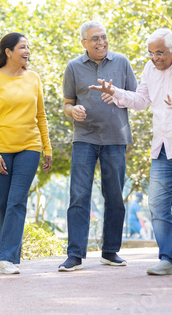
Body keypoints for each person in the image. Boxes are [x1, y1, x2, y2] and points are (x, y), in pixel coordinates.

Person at [90, 28, 172, 276]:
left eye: (159, 53)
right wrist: (115, 93)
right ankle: (168, 259)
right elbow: (142, 100)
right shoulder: (149, 69)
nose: (155, 58)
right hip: (163, 146)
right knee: (156, 203)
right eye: (151, 53)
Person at [58, 21, 138, 272]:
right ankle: (75, 255)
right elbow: (67, 104)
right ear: (83, 42)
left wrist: (116, 94)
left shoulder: (121, 62)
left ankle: (110, 251)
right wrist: (74, 111)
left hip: (116, 138)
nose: (101, 42)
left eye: (103, 37)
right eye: (94, 38)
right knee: (79, 195)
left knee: (114, 196)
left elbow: (136, 98)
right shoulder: (73, 67)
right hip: (85, 138)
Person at [0, 32, 52, 275]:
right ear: (8, 52)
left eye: (28, 46)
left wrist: (47, 147)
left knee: (17, 201)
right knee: (0, 203)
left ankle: (7, 257)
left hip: (29, 148)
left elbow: (40, 115)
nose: (27, 50)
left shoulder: (33, 78)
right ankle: (6, 256)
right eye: (22, 47)